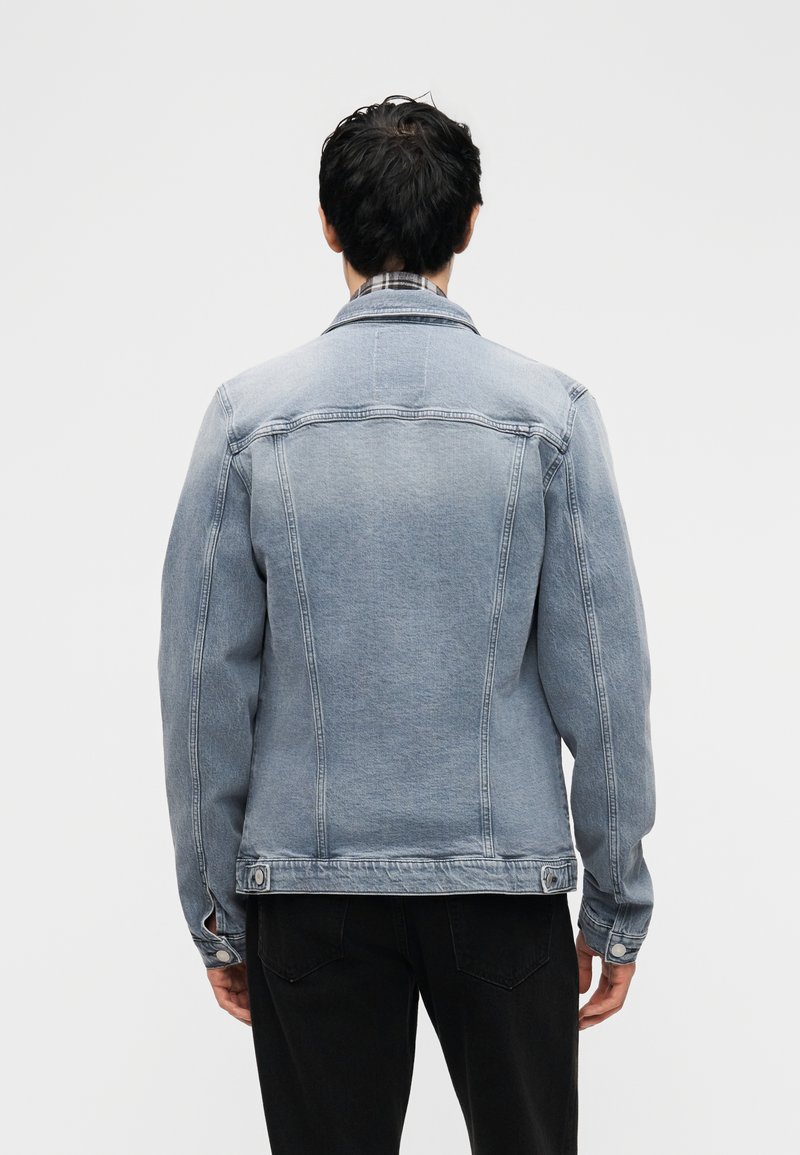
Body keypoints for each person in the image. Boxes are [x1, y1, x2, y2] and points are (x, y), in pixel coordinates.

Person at [158, 93, 656, 1155]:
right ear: (468, 223)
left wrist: (215, 908)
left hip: (308, 888)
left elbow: (203, 690)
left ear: (327, 226)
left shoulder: (249, 420)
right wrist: (616, 902)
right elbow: (606, 689)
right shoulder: (549, 416)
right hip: (502, 884)